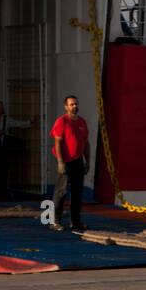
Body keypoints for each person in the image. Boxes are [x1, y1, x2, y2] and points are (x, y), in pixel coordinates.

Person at [50, 95, 90, 231]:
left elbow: (85, 142)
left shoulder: (82, 122)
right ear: (66, 107)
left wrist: (87, 160)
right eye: (71, 104)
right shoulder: (62, 121)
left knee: (77, 193)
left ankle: (76, 221)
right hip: (66, 161)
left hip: (78, 161)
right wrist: (60, 161)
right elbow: (58, 142)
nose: (74, 106)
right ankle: (55, 221)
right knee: (60, 192)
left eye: (76, 104)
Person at [0, 100, 31, 199]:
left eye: (1, 107)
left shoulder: (6, 119)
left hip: (4, 148)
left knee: (4, 170)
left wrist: (29, 122)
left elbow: (18, 123)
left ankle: (3, 192)